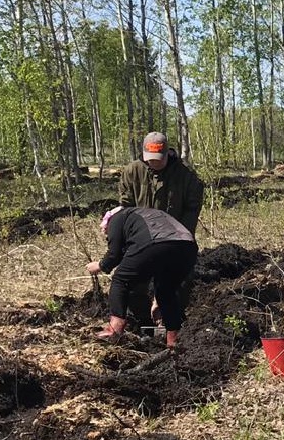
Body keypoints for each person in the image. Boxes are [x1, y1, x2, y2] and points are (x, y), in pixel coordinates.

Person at [118, 131, 205, 325]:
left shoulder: (186, 176)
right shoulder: (132, 172)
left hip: (175, 238)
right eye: (150, 159)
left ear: (168, 154)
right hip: (141, 239)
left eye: (159, 159)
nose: (154, 162)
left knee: (178, 283)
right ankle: (142, 323)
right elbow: (126, 207)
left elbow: (192, 209)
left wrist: (179, 239)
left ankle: (171, 324)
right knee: (133, 284)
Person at [87, 206, 198, 348]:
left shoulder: (116, 218)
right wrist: (158, 301)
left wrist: (100, 265)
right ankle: (173, 340)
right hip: (188, 246)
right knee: (166, 292)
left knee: (120, 280)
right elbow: (163, 255)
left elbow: (114, 254)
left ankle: (114, 329)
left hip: (157, 242)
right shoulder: (148, 214)